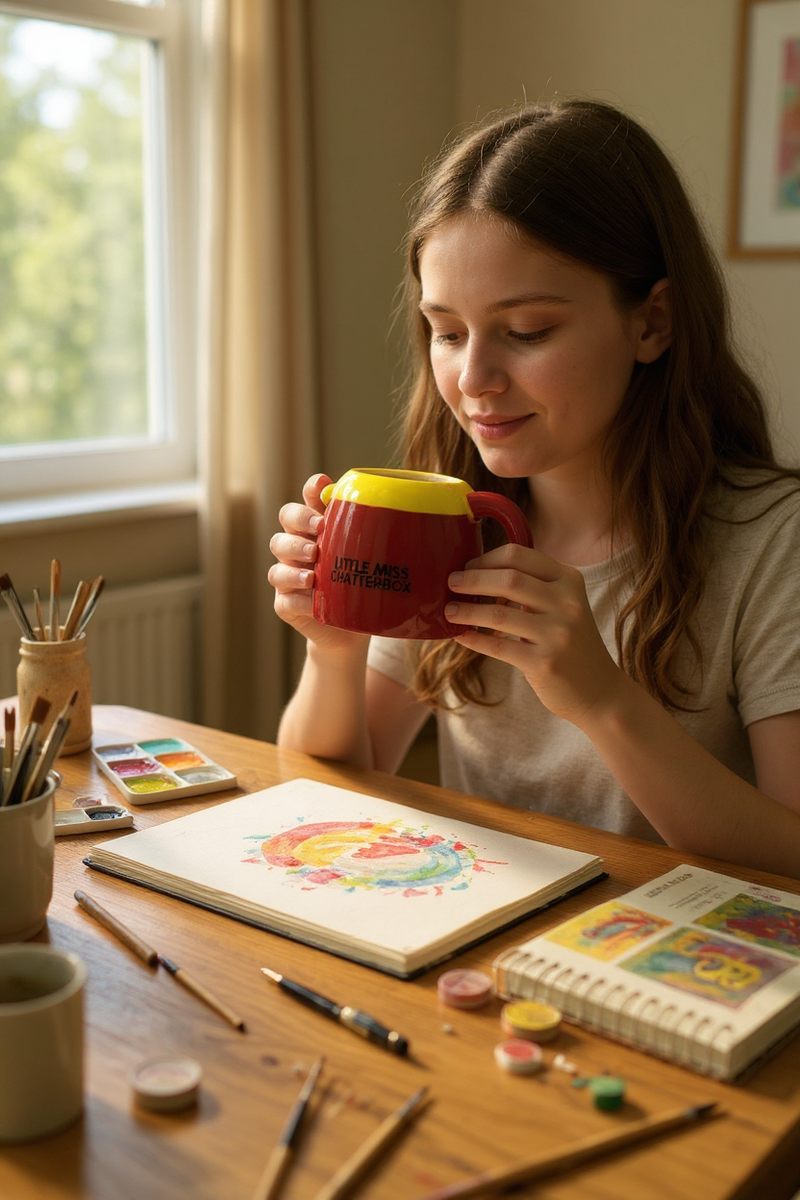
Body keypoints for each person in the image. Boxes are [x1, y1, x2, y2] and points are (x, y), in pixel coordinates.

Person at [269, 98, 800, 878]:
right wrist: (334, 649)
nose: (474, 379)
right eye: (446, 332)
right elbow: (330, 791)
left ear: (652, 323)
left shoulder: (769, 541)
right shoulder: (448, 526)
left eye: (526, 333)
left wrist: (602, 700)